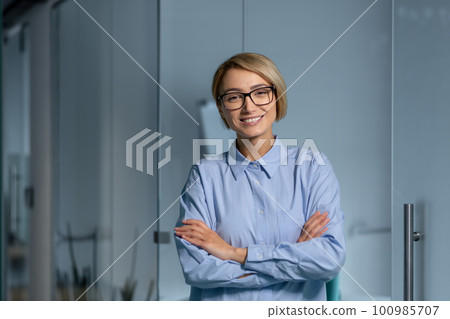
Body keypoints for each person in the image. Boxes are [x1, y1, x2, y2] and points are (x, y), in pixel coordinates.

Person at [174, 52, 346, 301]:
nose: (249, 106)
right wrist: (294, 260)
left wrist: (234, 253)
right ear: (222, 109)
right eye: (234, 97)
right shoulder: (204, 176)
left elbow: (329, 260)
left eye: (260, 92)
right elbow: (197, 269)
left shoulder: (313, 169)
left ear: (277, 97)